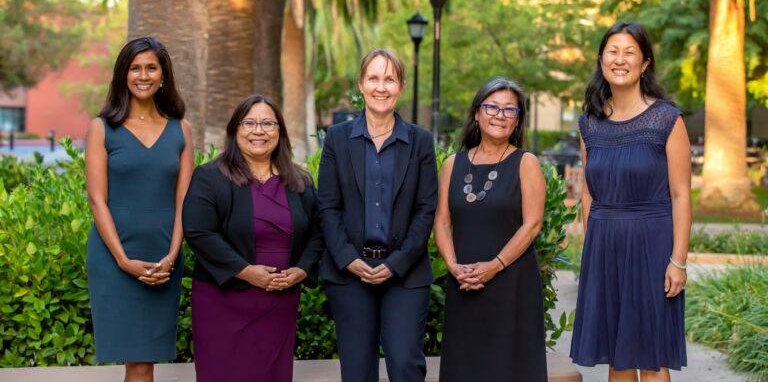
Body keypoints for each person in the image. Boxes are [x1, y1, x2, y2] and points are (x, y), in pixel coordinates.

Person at [570, 22, 691, 381]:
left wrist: (678, 261)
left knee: (651, 360)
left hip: (652, 245)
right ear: (601, 60)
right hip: (605, 246)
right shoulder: (588, 123)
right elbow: (590, 192)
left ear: (645, 64)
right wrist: (593, 249)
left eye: (629, 53)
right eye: (612, 51)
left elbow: (681, 194)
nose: (619, 59)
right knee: (618, 360)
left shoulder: (667, 119)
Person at [182, 94, 323, 382]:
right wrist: (246, 272)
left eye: (268, 123)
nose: (258, 131)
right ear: (235, 130)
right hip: (223, 302)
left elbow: (320, 232)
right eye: (249, 123)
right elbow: (199, 231)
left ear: (280, 131)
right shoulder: (210, 177)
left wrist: (302, 270)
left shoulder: (300, 182)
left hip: (279, 302)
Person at [318, 48, 438, 382]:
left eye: (389, 79)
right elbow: (327, 206)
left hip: (405, 272)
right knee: (356, 372)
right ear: (361, 84)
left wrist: (396, 263)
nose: (381, 87)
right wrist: (346, 258)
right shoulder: (337, 138)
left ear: (401, 86)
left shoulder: (421, 141)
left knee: (404, 364)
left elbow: (425, 209)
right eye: (373, 78)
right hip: (350, 272)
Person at [85, 36, 193, 381]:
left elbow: (184, 202)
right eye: (134, 68)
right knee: (137, 361)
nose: (142, 75)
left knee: (145, 361)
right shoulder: (102, 128)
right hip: (115, 259)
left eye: (151, 67)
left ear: (163, 75)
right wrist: (122, 260)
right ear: (123, 75)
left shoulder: (182, 130)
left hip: (163, 260)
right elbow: (96, 200)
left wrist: (173, 255)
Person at [434, 77, 548, 382]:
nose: (500, 115)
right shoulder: (451, 165)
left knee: (509, 368)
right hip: (465, 283)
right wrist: (454, 267)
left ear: (518, 120)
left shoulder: (526, 163)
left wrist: (494, 266)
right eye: (492, 107)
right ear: (476, 113)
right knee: (465, 367)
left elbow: (532, 224)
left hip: (512, 286)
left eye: (510, 110)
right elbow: (442, 222)